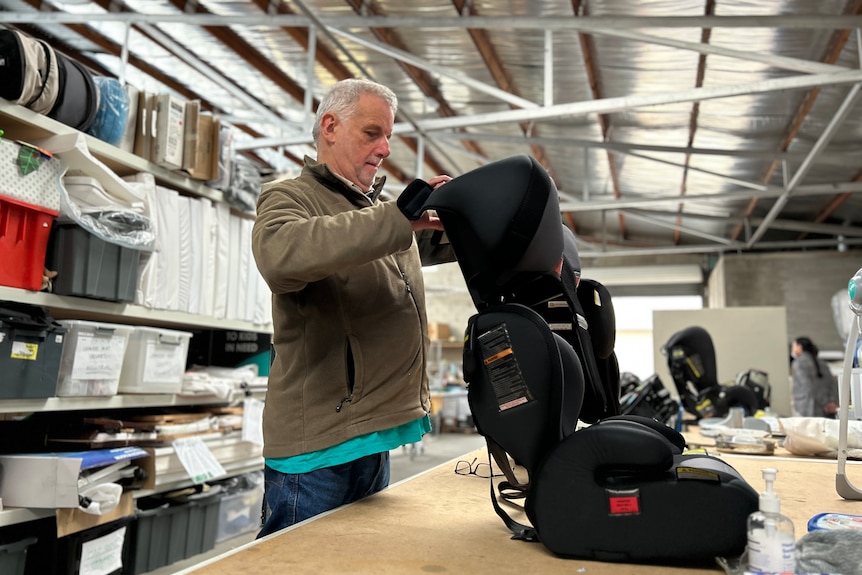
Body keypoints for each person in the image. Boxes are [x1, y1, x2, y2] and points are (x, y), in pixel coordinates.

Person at [251, 78, 451, 537]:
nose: (384, 148)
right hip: (317, 449)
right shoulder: (289, 198)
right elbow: (281, 257)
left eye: (388, 137)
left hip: (372, 436)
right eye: (371, 133)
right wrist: (395, 217)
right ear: (330, 126)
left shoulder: (379, 213)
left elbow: (437, 239)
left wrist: (483, 215)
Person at [790, 336, 839, 418]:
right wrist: (831, 402)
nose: (792, 349)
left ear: (799, 346)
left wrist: (824, 403)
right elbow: (832, 384)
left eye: (793, 346)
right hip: (828, 407)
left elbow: (807, 386)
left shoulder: (798, 363)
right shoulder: (822, 363)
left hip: (808, 406)